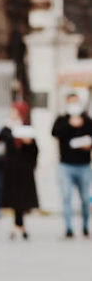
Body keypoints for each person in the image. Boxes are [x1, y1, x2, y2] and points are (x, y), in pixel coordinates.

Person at [51, 93, 92, 238]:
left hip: (84, 166)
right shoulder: (62, 120)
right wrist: (70, 124)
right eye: (71, 102)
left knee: (85, 198)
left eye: (76, 102)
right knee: (66, 197)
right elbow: (54, 133)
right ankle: (68, 228)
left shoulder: (87, 120)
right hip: (65, 166)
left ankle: (86, 227)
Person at [0, 103, 39, 240]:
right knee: (14, 198)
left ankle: (18, 225)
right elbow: (1, 139)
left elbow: (35, 150)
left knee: (23, 198)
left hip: (24, 169)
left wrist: (28, 142)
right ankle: (20, 226)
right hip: (11, 169)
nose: (12, 114)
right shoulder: (6, 129)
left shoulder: (27, 129)